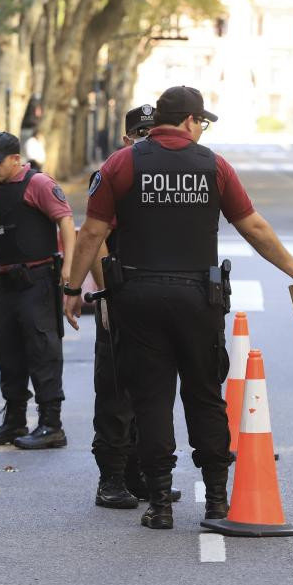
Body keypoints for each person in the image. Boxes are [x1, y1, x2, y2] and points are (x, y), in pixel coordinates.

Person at [62, 86, 293, 530]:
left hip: (138, 299)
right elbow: (253, 227)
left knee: (152, 399)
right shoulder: (214, 166)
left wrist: (72, 288)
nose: (201, 129)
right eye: (201, 121)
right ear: (188, 121)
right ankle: (217, 502)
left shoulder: (122, 164)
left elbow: (91, 233)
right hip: (198, 299)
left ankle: (160, 504)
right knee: (204, 395)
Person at [89, 104, 182, 509]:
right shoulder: (113, 171)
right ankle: (111, 478)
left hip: (158, 296)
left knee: (153, 389)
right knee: (115, 388)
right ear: (127, 138)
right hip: (120, 293)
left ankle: (142, 475)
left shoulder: (170, 172)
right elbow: (94, 239)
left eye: (151, 131)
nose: (146, 139)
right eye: (138, 133)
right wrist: (106, 294)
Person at [0, 131, 76, 450]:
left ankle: (51, 425)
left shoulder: (39, 184)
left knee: (43, 352)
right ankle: (14, 420)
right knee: (9, 353)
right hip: (4, 282)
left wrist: (70, 269)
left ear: (16, 159)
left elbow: (66, 222)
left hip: (37, 280)